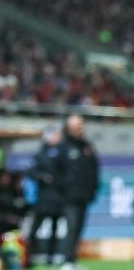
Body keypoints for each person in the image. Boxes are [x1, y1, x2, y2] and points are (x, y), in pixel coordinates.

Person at [59, 114, 99, 270]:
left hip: (84, 196)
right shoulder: (64, 146)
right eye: (77, 126)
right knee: (72, 227)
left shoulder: (86, 146)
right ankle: (66, 261)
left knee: (79, 229)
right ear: (70, 127)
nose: (81, 128)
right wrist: (63, 189)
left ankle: (72, 260)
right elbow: (57, 172)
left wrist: (92, 189)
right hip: (69, 197)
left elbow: (94, 169)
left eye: (81, 125)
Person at [26, 123, 64, 266]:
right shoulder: (41, 153)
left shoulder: (63, 152)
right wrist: (43, 177)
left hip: (58, 197)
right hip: (44, 198)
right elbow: (31, 171)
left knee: (55, 228)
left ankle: (51, 256)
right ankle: (30, 254)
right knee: (35, 227)